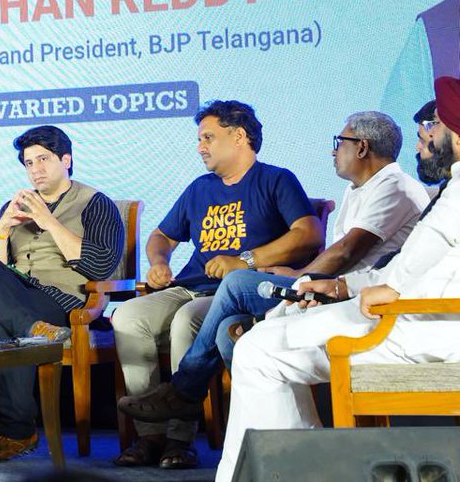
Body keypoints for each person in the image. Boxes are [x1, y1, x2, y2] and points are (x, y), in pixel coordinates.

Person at [214, 77, 460, 482]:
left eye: (436, 126)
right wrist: (341, 288)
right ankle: (297, 467)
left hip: (419, 327)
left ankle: (296, 471)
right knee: (273, 326)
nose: (429, 135)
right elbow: (409, 270)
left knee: (259, 349)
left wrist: (368, 292)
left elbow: (403, 278)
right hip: (409, 315)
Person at [118, 110, 429, 425]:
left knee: (236, 283)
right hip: (329, 292)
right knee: (229, 336)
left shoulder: (393, 187)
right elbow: (163, 235)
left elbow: (344, 250)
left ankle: (184, 392)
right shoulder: (358, 189)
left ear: (361, 147)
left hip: (357, 299)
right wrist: (159, 262)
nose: (334, 150)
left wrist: (295, 275)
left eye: (340, 142)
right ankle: (271, 434)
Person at [110, 100, 322, 470]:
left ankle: (180, 438)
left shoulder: (276, 179)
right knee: (128, 316)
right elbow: (162, 235)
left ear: (239, 136)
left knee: (185, 321)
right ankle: (150, 436)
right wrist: (159, 262)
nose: (200, 147)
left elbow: (308, 234)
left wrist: (246, 261)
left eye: (208, 137)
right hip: (187, 285)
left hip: (230, 294)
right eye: (199, 139)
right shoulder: (200, 188)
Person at [0, 125, 125, 462]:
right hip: (20, 298)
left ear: (66, 160)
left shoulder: (96, 204)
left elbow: (100, 266)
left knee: (2, 323)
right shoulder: (13, 206)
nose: (35, 169)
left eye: (43, 159)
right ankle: (32, 330)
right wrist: (2, 228)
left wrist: (50, 221)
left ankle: (17, 432)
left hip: (62, 300)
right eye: (28, 163)